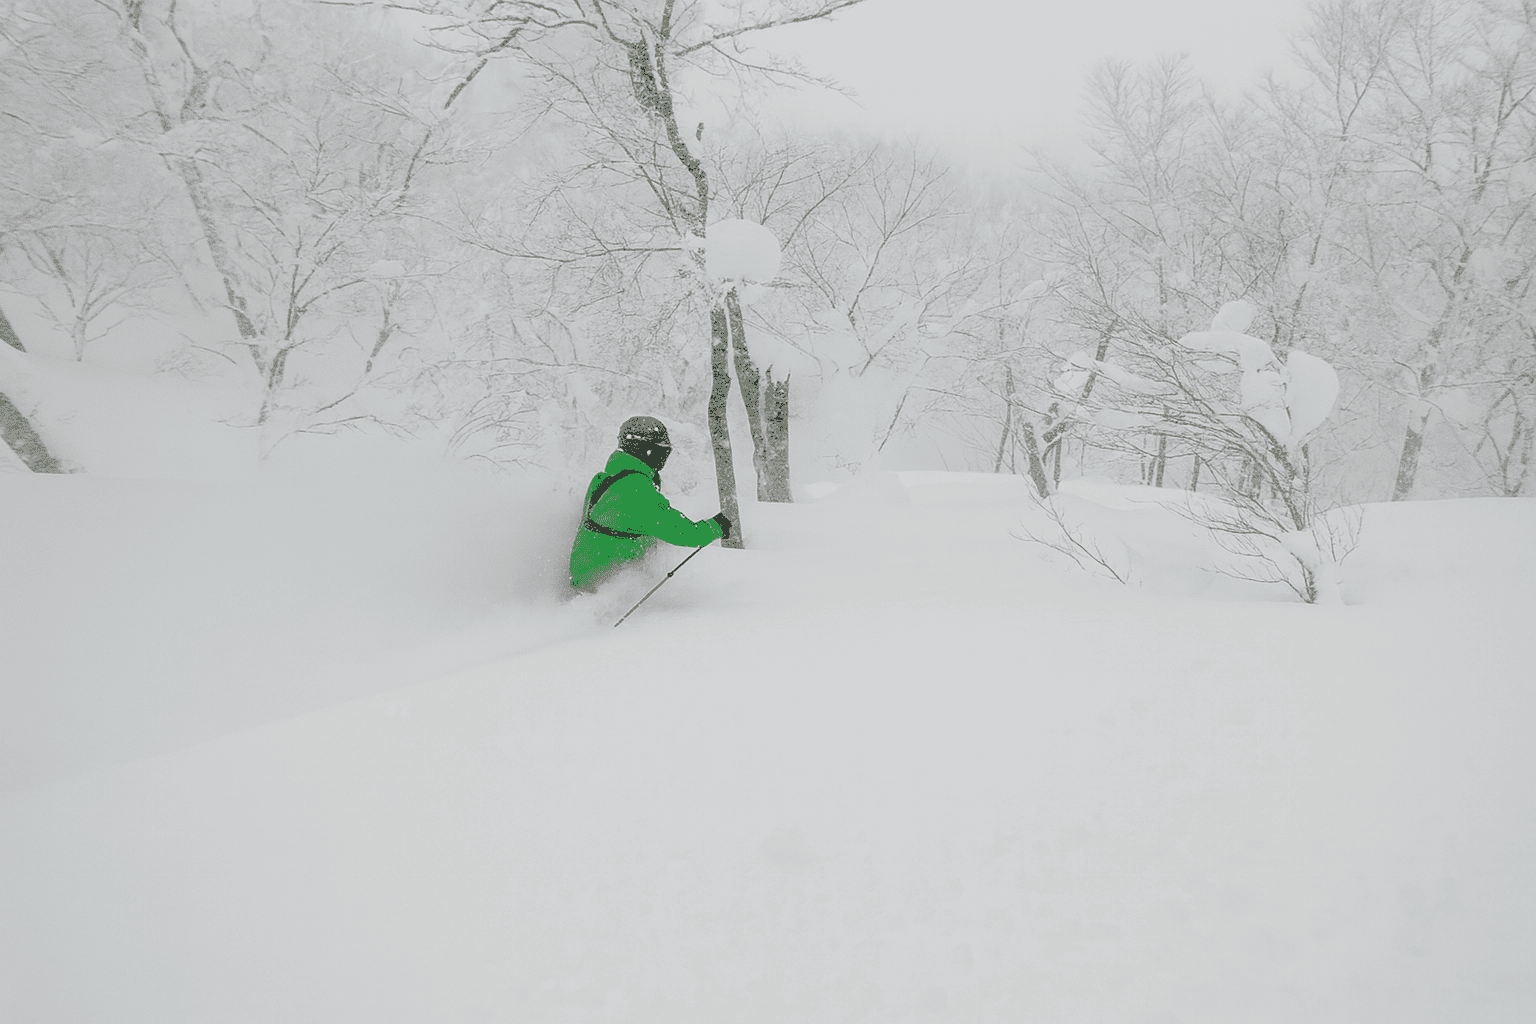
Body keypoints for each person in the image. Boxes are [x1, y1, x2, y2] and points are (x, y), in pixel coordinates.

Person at [569, 415, 732, 592]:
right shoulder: (634, 489)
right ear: (644, 449)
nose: (663, 458)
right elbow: (684, 533)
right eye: (660, 451)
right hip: (603, 587)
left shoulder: (609, 478)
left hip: (588, 577)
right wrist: (717, 526)